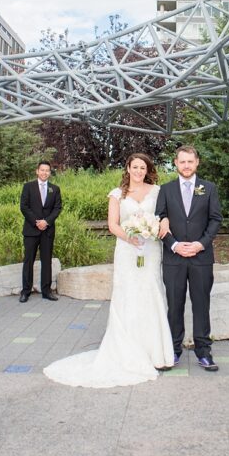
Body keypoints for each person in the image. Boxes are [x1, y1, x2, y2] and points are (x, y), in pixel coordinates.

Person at [44, 153, 174, 387]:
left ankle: (157, 353)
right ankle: (127, 351)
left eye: (142, 167)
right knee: (128, 295)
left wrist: (155, 228)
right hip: (126, 249)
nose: (138, 171)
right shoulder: (117, 194)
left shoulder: (157, 191)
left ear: (147, 169)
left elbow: (164, 216)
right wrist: (131, 237)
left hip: (151, 249)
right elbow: (113, 224)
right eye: (134, 166)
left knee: (151, 291)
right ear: (127, 168)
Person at [156, 145, 223, 371]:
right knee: (174, 305)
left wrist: (200, 244)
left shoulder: (209, 188)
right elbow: (160, 219)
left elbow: (215, 219)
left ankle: (203, 351)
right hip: (174, 259)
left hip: (200, 258)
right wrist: (173, 245)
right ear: (175, 163)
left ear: (197, 163)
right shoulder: (165, 190)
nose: (186, 166)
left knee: (201, 305)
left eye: (190, 162)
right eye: (182, 161)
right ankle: (173, 350)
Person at [19, 161, 62, 302]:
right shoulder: (28, 187)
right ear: (37, 171)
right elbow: (24, 206)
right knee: (28, 261)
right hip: (31, 229)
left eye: (47, 170)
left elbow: (57, 208)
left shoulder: (54, 189)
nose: (44, 172)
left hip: (48, 231)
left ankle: (46, 291)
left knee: (46, 261)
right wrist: (37, 222)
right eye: (42, 170)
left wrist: (46, 222)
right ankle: (26, 291)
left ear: (50, 172)